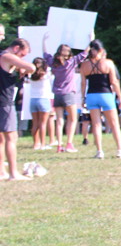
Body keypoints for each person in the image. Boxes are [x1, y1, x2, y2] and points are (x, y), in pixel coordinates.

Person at [79, 40, 121, 159]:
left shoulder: (84, 65)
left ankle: (99, 151)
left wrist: (83, 98)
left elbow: (83, 84)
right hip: (105, 95)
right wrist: (120, 97)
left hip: (91, 95)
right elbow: (114, 82)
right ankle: (120, 149)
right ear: (101, 50)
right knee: (114, 124)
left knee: (96, 124)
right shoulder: (108, 63)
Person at [43, 33, 91, 153]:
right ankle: (69, 144)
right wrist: (91, 40)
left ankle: (59, 145)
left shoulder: (53, 63)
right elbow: (85, 53)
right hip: (68, 94)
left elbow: (45, 54)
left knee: (59, 121)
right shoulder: (71, 62)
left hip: (57, 95)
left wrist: (44, 41)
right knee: (73, 119)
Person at [1, 38, 35, 179]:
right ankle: (13, 173)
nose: (21, 58)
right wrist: (22, 66)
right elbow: (32, 68)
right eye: (22, 54)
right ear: (16, 48)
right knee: (11, 137)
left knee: (1, 139)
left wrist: (16, 67)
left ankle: (2, 172)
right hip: (5, 102)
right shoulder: (7, 56)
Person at [26, 57, 54, 149]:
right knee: (43, 123)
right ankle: (42, 144)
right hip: (43, 99)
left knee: (35, 123)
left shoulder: (31, 75)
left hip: (33, 100)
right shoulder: (46, 74)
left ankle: (35, 143)